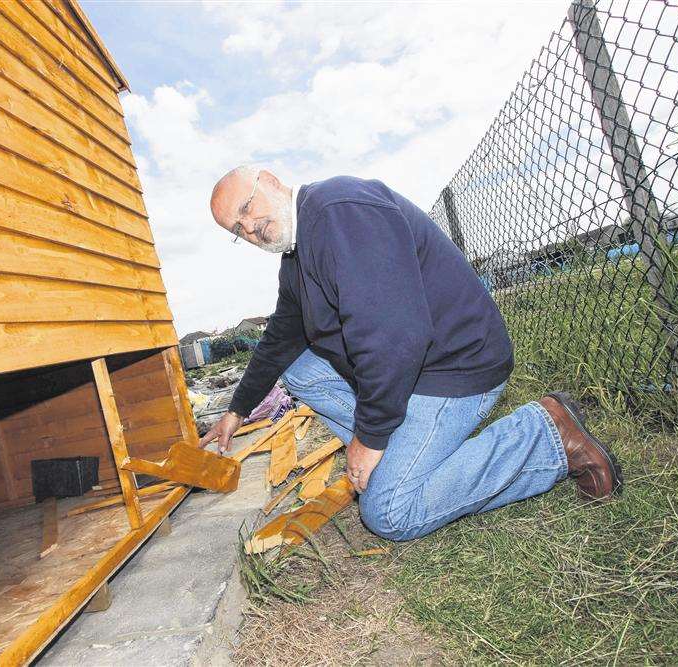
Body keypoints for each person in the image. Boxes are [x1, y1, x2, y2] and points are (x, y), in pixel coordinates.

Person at [199, 167, 623, 541]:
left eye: (247, 207)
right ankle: (398, 456)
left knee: (389, 512)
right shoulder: (297, 257)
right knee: (297, 366)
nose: (249, 226)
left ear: (271, 182)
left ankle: (545, 435)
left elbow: (395, 337)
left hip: (454, 369)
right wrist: (238, 409)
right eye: (236, 228)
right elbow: (278, 339)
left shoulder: (340, 211)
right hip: (414, 372)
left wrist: (369, 437)